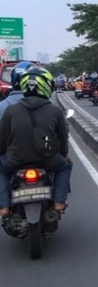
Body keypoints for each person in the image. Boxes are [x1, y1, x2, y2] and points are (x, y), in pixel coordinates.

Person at [0, 67, 72, 219]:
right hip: (47, 158)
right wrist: (63, 155)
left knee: (1, 170)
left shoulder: (10, 110)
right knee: (65, 166)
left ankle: (4, 206)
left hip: (15, 159)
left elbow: (2, 140)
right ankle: (59, 202)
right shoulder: (55, 111)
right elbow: (63, 139)